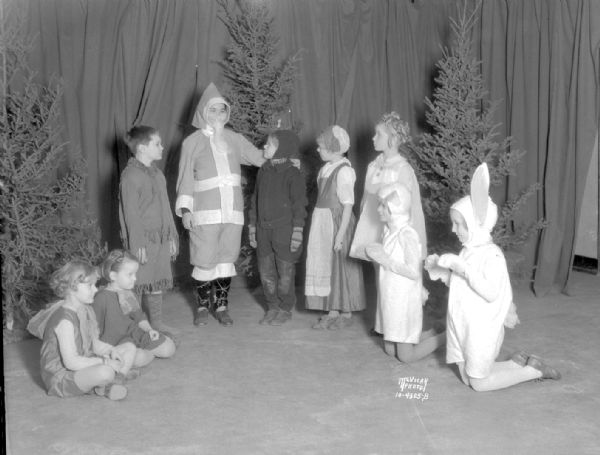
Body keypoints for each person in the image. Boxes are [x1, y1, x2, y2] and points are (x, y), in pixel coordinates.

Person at [425, 163, 560, 391]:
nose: (453, 229)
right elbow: (463, 285)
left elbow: (490, 292)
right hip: (461, 325)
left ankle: (532, 371)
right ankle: (514, 363)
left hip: (480, 330)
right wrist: (444, 272)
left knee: (478, 384)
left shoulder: (492, 255)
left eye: (459, 224)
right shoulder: (468, 250)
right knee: (469, 379)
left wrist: (462, 268)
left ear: (477, 224)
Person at [176, 82, 264, 327]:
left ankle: (222, 305)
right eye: (213, 110)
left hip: (232, 213)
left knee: (226, 259)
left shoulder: (234, 139)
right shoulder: (191, 143)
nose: (218, 115)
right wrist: (186, 210)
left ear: (227, 113)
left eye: (222, 110)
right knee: (204, 259)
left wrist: (280, 152)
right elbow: (184, 178)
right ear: (204, 112)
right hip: (204, 213)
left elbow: (259, 158)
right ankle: (203, 307)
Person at [27, 260, 136, 400]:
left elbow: (92, 343)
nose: (96, 290)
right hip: (62, 376)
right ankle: (109, 381)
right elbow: (71, 362)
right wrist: (104, 362)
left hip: (84, 360)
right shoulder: (64, 321)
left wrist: (110, 350)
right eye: (90, 286)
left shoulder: (84, 310)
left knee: (129, 347)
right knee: (105, 372)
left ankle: (115, 381)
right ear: (72, 288)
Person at [365, 183, 445, 361]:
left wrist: (385, 260)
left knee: (406, 357)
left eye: (383, 205)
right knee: (390, 351)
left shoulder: (407, 235)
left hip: (403, 298)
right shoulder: (388, 231)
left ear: (396, 208)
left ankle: (445, 337)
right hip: (389, 296)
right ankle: (431, 332)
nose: (378, 209)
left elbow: (412, 271)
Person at [119, 125, 179, 339]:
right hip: (143, 241)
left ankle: (157, 323)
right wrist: (138, 244)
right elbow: (131, 214)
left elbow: (166, 207)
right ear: (143, 148)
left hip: (161, 238)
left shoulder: (158, 174)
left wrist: (171, 235)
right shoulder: (130, 176)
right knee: (137, 283)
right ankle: (133, 327)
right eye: (157, 143)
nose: (162, 147)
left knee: (156, 280)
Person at [305, 125, 366, 329]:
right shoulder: (325, 169)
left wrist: (340, 235)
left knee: (341, 266)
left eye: (321, 147)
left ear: (334, 148)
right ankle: (332, 309)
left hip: (339, 221)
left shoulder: (345, 171)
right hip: (323, 220)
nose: (317, 150)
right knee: (326, 264)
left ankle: (345, 312)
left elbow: (347, 205)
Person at [248, 130, 308, 325]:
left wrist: (297, 231)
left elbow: (299, 205)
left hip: (284, 231)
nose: (264, 147)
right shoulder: (263, 171)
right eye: (266, 144)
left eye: (270, 145)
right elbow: (255, 200)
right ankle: (272, 306)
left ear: (283, 148)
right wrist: (252, 227)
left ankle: (285, 307)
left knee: (285, 273)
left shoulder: (293, 173)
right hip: (263, 230)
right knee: (266, 272)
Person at [350, 112, 426, 262]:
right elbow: (366, 197)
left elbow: (406, 205)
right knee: (375, 262)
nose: (373, 138)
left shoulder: (402, 168)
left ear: (393, 139)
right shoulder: (374, 166)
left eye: (378, 134)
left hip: (392, 229)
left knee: (390, 265)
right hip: (372, 224)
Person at [93, 250, 176, 370]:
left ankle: (148, 349)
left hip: (135, 334)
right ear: (113, 276)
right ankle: (141, 354)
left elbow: (139, 316)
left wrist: (149, 330)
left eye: (135, 274)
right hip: (116, 342)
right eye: (130, 274)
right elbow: (93, 328)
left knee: (169, 349)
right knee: (140, 358)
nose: (135, 278)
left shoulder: (127, 293)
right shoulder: (101, 298)